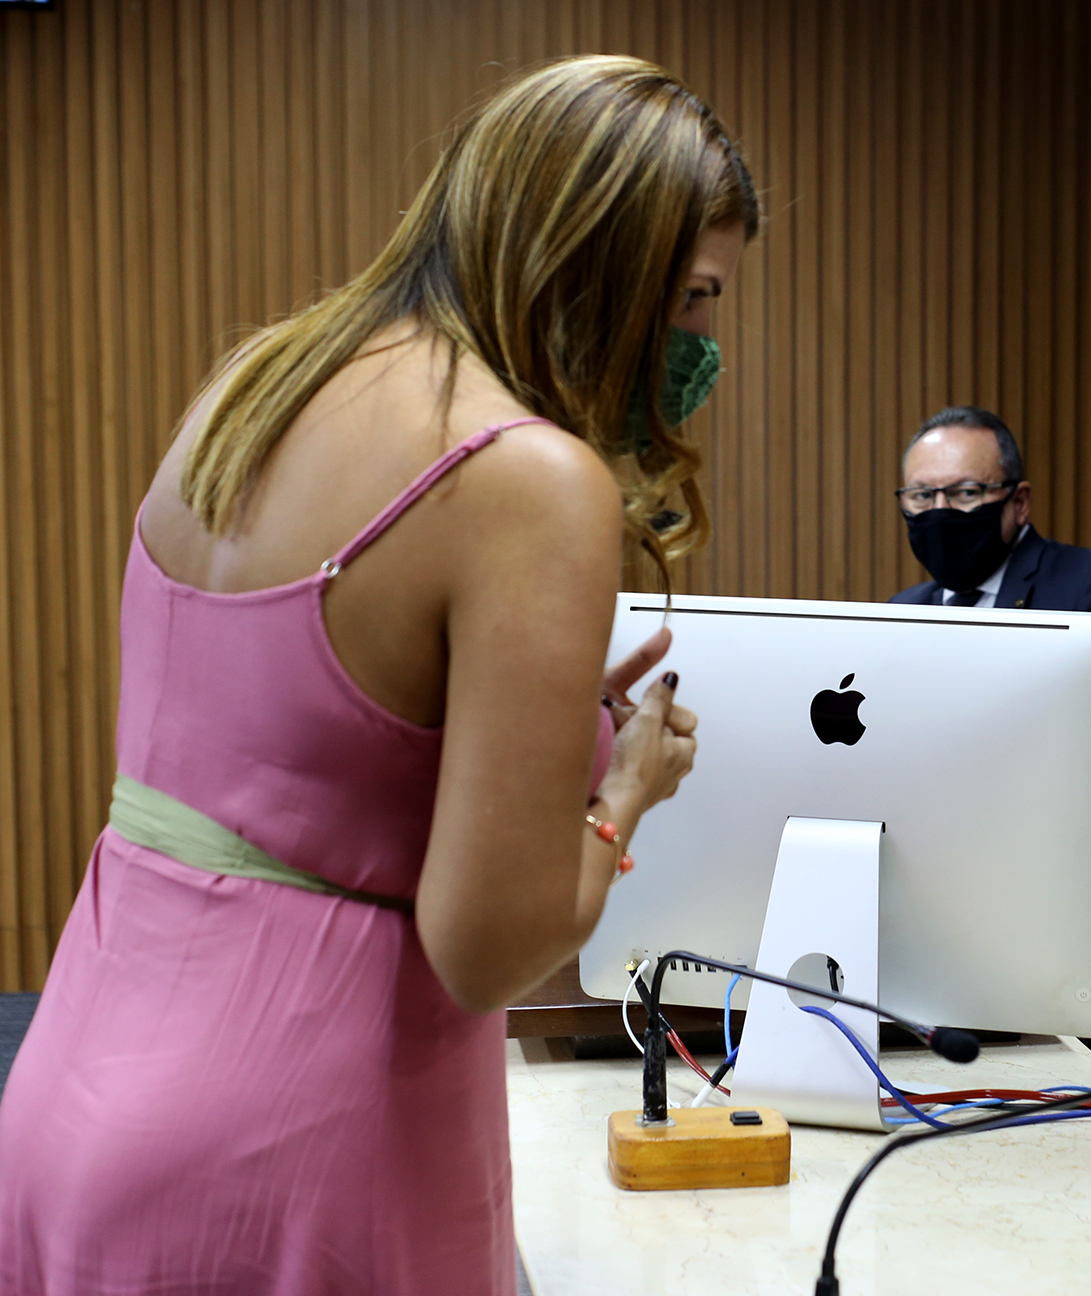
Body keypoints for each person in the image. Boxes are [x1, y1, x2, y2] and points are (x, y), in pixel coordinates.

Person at [0, 57, 754, 1294]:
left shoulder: (257, 383)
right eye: (692, 298)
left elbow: (298, 745)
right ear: (596, 269)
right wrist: (624, 787)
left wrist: (523, 728)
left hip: (76, 1096)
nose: (702, 344)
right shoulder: (528, 477)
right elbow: (487, 951)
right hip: (298, 1149)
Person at [889, 405, 1091, 720]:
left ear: (1019, 502)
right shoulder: (902, 611)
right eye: (922, 496)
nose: (940, 511)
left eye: (966, 492)